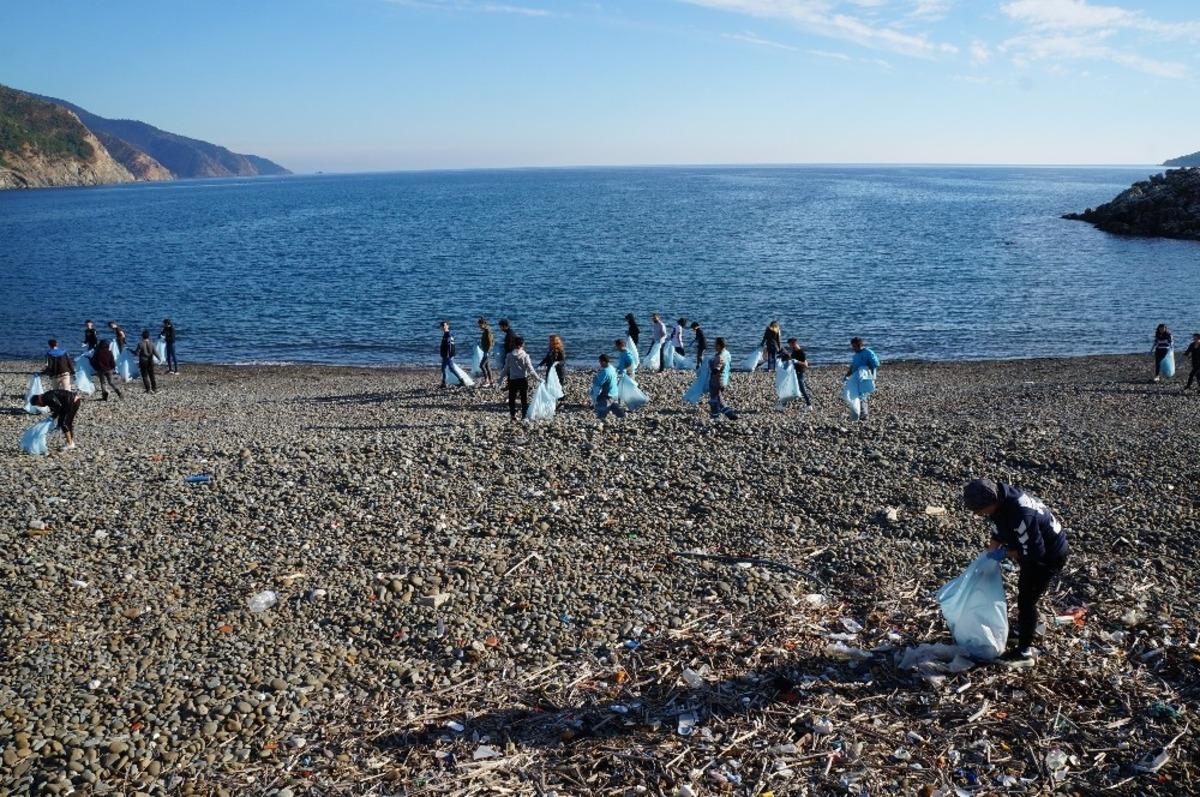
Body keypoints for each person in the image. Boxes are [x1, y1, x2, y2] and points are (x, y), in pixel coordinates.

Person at [963, 478, 1069, 662]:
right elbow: (999, 529)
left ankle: (1025, 650)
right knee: (1025, 593)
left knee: (1027, 600)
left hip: (1049, 556)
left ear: (991, 502)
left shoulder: (1021, 514)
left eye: (979, 511)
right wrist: (988, 555)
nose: (978, 514)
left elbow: (1035, 553)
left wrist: (1004, 553)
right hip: (1033, 548)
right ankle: (1023, 628)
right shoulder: (1000, 498)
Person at [503, 336, 540, 420]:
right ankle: (523, 416)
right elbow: (530, 369)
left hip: (513, 380)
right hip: (523, 379)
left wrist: (500, 379)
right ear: (522, 344)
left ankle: (513, 415)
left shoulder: (509, 355)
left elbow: (505, 369)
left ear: (514, 344)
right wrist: (537, 378)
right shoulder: (525, 356)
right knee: (524, 398)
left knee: (512, 398)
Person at [844, 337, 880, 421]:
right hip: (856, 377)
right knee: (855, 395)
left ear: (859, 345)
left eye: (854, 346)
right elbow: (853, 367)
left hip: (866, 378)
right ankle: (859, 413)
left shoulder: (868, 353)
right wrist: (847, 375)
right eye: (852, 346)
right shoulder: (856, 355)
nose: (853, 348)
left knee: (862, 395)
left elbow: (876, 364)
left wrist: (866, 369)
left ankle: (864, 415)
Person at [708, 337, 738, 421]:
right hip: (724, 380)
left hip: (716, 381)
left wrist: (710, 365)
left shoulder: (719, 356)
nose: (714, 346)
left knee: (715, 399)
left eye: (715, 344)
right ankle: (717, 416)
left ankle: (727, 414)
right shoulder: (727, 353)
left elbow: (716, 369)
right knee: (718, 398)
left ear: (719, 345)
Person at [591, 354, 626, 422]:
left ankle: (600, 418)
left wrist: (595, 378)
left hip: (608, 395)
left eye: (600, 361)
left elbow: (597, 383)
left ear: (603, 362)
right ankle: (621, 414)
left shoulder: (605, 372)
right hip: (615, 392)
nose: (599, 363)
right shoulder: (612, 368)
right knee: (612, 404)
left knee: (600, 405)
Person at [787, 338, 813, 408]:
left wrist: (796, 361)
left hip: (800, 372)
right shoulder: (794, 351)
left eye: (790, 345)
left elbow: (806, 365)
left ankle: (809, 405)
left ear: (794, 344)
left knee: (802, 389)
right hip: (794, 372)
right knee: (793, 387)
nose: (789, 346)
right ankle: (787, 404)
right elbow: (792, 359)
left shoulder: (801, 352)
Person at [476, 318, 495, 388]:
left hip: (488, 352)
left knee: (481, 365)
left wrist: (488, 352)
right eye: (479, 325)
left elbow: (491, 342)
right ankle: (491, 381)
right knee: (487, 366)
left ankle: (486, 380)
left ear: (484, 324)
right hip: (486, 351)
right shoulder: (485, 331)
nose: (479, 327)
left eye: (480, 325)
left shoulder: (487, 331)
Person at [438, 321, 457, 388]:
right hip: (445, 355)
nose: (443, 327)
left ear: (447, 326)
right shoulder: (445, 334)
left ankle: (461, 380)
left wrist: (448, 355)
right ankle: (443, 383)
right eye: (442, 326)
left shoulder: (448, 335)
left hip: (448, 355)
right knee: (443, 368)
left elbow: (450, 346)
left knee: (451, 369)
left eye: (444, 325)